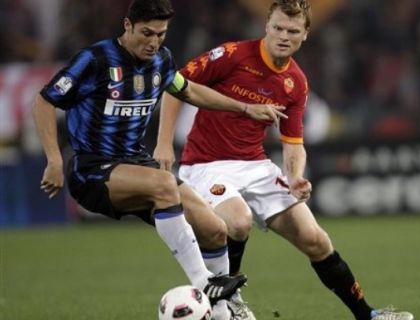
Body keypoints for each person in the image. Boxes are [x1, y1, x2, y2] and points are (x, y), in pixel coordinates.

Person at [155, 1, 415, 320]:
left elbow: (293, 144)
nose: (283, 35)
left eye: (292, 31)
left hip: (257, 165)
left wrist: (295, 177)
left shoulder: (296, 82)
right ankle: (228, 302)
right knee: (237, 221)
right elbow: (174, 86)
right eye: (277, 28)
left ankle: (369, 315)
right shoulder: (232, 55)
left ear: (305, 34)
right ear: (267, 26)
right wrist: (164, 144)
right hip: (206, 165)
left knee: (317, 240)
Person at [32, 0, 286, 319]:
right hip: (92, 170)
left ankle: (222, 313)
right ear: (128, 26)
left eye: (160, 34)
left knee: (214, 228)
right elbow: (44, 100)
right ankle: (205, 284)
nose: (153, 42)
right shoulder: (95, 60)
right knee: (165, 184)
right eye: (146, 33)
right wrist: (53, 159)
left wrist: (246, 108)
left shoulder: (161, 61)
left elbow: (189, 90)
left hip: (137, 164)